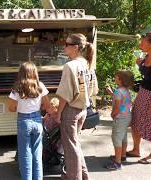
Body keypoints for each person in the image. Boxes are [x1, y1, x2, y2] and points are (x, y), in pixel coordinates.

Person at [55, 33, 96, 180]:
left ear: (75, 47)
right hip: (83, 110)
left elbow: (65, 94)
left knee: (70, 148)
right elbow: (93, 90)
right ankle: (84, 175)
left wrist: (58, 113)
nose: (64, 47)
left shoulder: (70, 66)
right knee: (75, 144)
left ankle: (74, 177)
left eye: (66, 44)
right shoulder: (87, 63)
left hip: (71, 111)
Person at [8, 62, 54, 180]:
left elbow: (11, 108)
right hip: (37, 120)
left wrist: (21, 106)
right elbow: (47, 105)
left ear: (21, 73)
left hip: (23, 121)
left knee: (25, 155)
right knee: (37, 154)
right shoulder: (40, 86)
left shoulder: (16, 87)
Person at [127, 32, 151, 164]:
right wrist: (140, 64)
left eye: (143, 42)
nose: (140, 44)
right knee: (135, 118)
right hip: (143, 92)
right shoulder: (147, 56)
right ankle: (136, 149)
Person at [105, 70, 134, 170]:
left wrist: (113, 114)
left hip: (120, 118)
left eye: (116, 77)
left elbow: (117, 107)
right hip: (126, 117)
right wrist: (112, 93)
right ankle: (122, 156)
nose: (114, 78)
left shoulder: (118, 92)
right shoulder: (125, 91)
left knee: (116, 139)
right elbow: (123, 104)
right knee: (123, 137)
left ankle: (117, 163)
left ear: (121, 80)